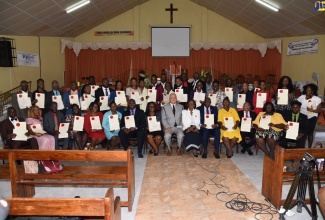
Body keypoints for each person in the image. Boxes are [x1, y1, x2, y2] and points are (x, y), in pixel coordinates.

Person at [297, 83, 322, 148]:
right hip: (302, 117)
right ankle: (301, 146)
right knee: (302, 132)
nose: (308, 91)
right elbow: (296, 105)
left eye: (309, 90)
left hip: (312, 117)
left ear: (312, 91)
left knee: (310, 132)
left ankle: (309, 147)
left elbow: (319, 110)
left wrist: (312, 110)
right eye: (307, 90)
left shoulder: (317, 99)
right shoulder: (301, 97)